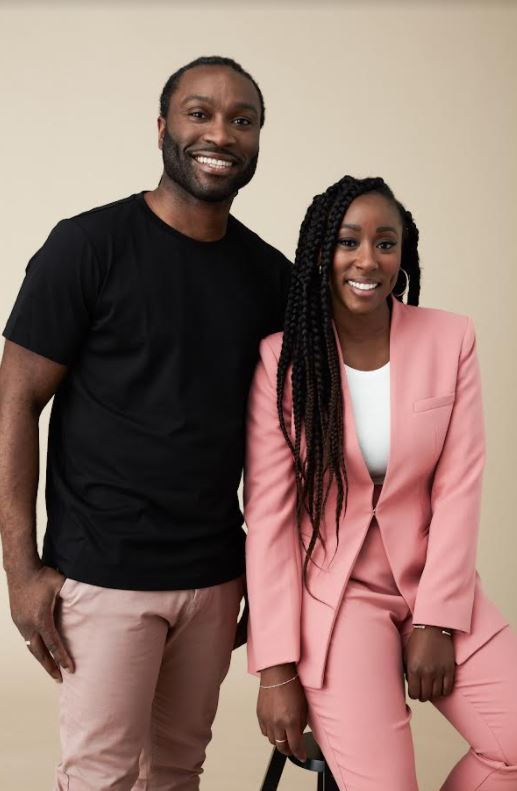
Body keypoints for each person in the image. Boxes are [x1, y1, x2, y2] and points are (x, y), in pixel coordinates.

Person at [0, 56, 290, 791]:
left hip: (213, 578)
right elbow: (14, 402)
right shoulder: (86, 246)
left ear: (257, 139)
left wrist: (268, 576)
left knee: (176, 772)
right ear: (162, 127)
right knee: (98, 777)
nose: (219, 132)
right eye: (199, 113)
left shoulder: (269, 277)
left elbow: (279, 441)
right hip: (102, 576)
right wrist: (20, 567)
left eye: (241, 118)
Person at [244, 175, 517, 791]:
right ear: (321, 253)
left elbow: (459, 483)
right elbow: (268, 520)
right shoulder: (281, 361)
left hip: (436, 585)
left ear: (403, 253)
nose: (368, 259)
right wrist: (276, 669)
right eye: (348, 242)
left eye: (385, 243)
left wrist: (437, 619)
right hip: (337, 605)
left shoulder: (450, 339)